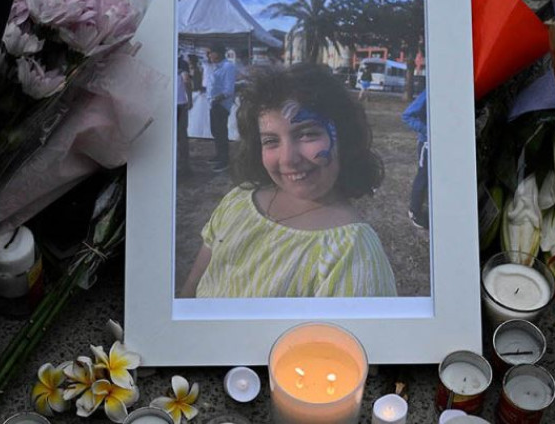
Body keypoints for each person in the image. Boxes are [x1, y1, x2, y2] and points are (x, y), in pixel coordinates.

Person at [180, 63, 397, 298]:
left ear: (344, 137)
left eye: (307, 134)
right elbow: (193, 285)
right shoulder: (238, 200)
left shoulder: (353, 255)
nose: (288, 159)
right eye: (271, 141)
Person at [205, 46, 236, 172]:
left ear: (217, 53)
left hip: (221, 104)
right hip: (213, 103)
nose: (209, 56)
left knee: (221, 132)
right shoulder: (216, 67)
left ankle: (224, 160)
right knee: (215, 132)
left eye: (210, 53)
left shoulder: (228, 67)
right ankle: (219, 155)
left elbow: (229, 89)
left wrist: (216, 99)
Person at [401, 90, 429, 229]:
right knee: (423, 177)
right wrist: (428, 131)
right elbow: (407, 115)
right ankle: (415, 211)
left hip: (445, 144)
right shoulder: (429, 92)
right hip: (427, 145)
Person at [177, 56, 193, 176]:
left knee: (179, 135)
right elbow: (187, 82)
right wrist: (190, 99)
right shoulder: (182, 64)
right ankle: (184, 165)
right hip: (180, 104)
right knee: (182, 135)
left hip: (175, 104)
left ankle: (183, 164)